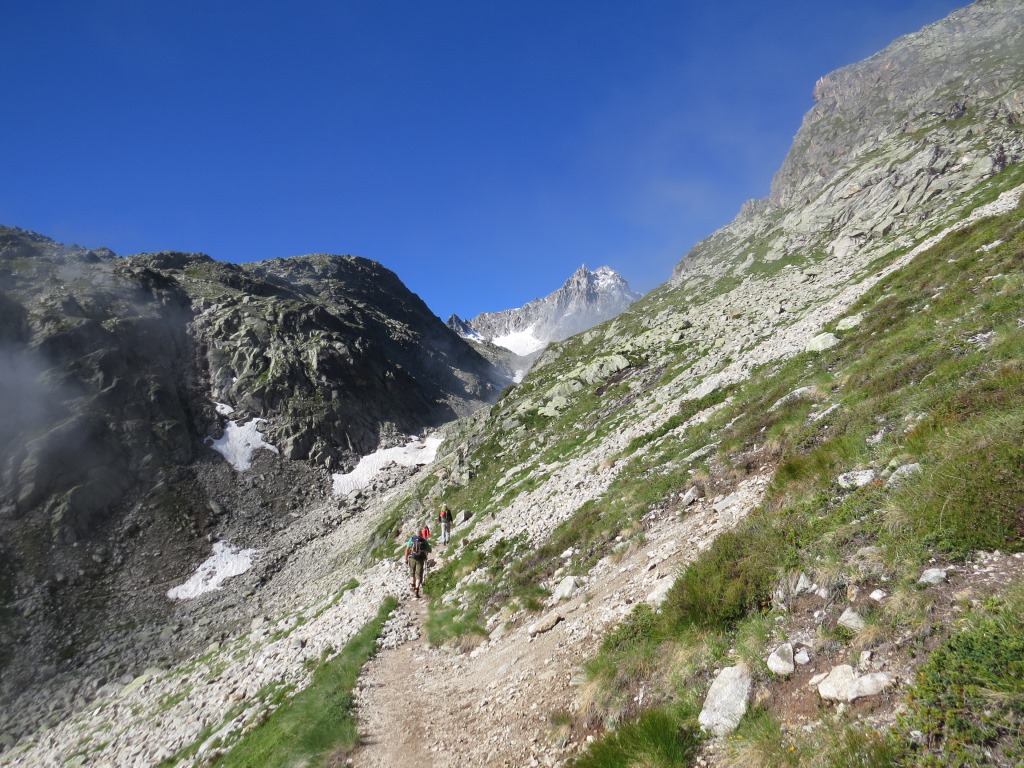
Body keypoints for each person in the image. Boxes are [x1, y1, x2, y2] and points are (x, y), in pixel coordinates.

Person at [404, 529, 432, 598]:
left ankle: (413, 586)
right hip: (420, 559)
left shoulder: (411, 539)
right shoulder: (423, 540)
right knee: (418, 576)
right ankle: (417, 590)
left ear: (415, 534)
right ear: (421, 534)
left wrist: (406, 559)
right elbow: (430, 550)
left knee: (412, 574)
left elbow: (407, 549)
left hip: (412, 558)